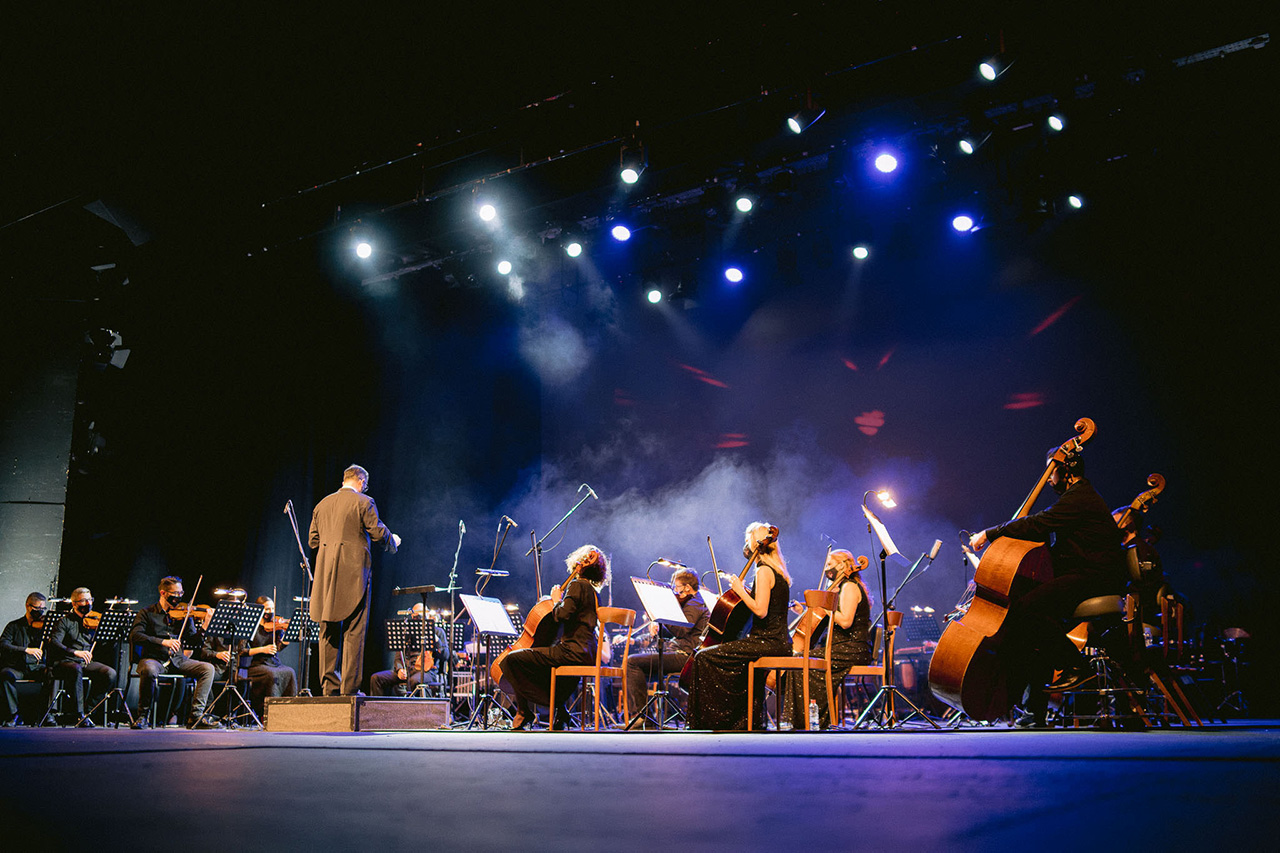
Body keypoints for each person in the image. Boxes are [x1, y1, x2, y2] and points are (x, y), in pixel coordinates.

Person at [969, 448, 1127, 728]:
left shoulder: (1079, 497)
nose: (1049, 480)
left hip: (1094, 577)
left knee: (1025, 610)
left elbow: (1038, 523)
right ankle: (1034, 712)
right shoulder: (1077, 497)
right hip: (1084, 574)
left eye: (1051, 473)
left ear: (1066, 471)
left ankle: (1076, 665)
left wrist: (990, 533)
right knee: (1035, 629)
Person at [686, 522, 792, 731]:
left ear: (755, 543)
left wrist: (739, 589)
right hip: (777, 641)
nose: (745, 545)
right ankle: (741, 721)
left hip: (767, 642)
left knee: (704, 657)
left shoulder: (763, 570)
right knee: (727, 658)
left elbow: (760, 610)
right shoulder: (778, 571)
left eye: (747, 540)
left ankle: (716, 721)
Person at [309, 464, 400, 696]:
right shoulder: (364, 501)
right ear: (361, 481)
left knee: (328, 630)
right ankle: (349, 690)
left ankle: (329, 688)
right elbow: (378, 532)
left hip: (325, 577)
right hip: (354, 575)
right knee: (354, 630)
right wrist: (393, 541)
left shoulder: (322, 504)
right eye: (364, 485)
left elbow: (313, 540)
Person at [499, 544, 608, 731]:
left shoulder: (576, 585)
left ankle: (524, 711)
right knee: (544, 669)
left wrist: (556, 599)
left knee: (511, 660)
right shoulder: (593, 592)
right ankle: (561, 711)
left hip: (571, 652)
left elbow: (562, 615)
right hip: (588, 653)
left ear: (578, 563)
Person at [779, 550, 872, 730]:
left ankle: (809, 721)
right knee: (799, 659)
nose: (827, 569)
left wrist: (824, 604)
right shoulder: (841, 587)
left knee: (801, 661)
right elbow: (823, 619)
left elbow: (845, 621)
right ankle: (802, 720)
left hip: (852, 648)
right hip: (841, 648)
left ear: (843, 565)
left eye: (830, 564)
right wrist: (805, 611)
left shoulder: (850, 586)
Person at [623, 568, 709, 728]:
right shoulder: (693, 602)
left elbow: (681, 630)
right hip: (680, 652)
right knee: (637, 668)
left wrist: (662, 616)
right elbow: (677, 632)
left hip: (686, 656)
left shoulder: (695, 603)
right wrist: (659, 628)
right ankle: (646, 718)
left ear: (687, 588)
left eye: (676, 587)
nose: (675, 591)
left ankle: (645, 718)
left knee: (632, 663)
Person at [129, 577, 218, 729]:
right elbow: (135, 636)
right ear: (163, 593)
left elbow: (194, 641)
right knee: (149, 669)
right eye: (175, 593)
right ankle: (143, 716)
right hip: (154, 659)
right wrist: (163, 642)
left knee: (207, 668)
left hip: (177, 660)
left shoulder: (184, 615)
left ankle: (195, 716)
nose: (179, 597)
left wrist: (205, 627)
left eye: (181, 593)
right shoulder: (147, 613)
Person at [47, 587, 118, 726]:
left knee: (110, 673)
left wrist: (111, 636)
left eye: (90, 600)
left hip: (84, 661)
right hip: (66, 661)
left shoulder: (93, 621)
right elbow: (54, 642)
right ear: (74, 604)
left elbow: (104, 644)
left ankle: (88, 711)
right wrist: (74, 652)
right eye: (84, 601)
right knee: (76, 669)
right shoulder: (64, 621)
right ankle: (78, 714)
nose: (88, 603)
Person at [370, 603, 449, 697]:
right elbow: (399, 655)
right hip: (408, 669)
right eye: (414, 617)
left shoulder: (438, 631)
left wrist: (436, 640)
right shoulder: (407, 632)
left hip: (427, 672)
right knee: (376, 678)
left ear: (427, 615)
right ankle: (377, 706)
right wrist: (400, 669)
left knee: (414, 681)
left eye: (419, 616)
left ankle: (410, 706)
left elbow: (445, 656)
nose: (417, 619)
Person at [1, 593, 51, 726]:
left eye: (43, 609)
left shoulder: (44, 627)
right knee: (5, 675)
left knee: (52, 673)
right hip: (18, 667)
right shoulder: (14, 626)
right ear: (28, 606)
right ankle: (14, 714)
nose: (41, 612)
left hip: (36, 666)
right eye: (37, 608)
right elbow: (3, 644)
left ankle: (47, 713)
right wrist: (25, 650)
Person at [243, 596, 298, 712]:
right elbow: (242, 651)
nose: (271, 612)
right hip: (257, 665)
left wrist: (286, 640)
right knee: (272, 674)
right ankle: (270, 710)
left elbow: (278, 648)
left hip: (273, 663)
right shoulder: (251, 626)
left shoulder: (276, 626)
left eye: (272, 608)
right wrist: (263, 649)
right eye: (267, 609)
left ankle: (289, 710)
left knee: (290, 672)